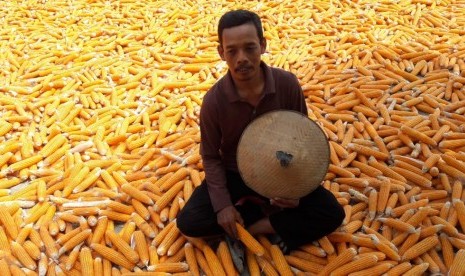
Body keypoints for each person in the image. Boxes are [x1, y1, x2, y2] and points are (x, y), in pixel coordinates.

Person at [177, 9, 344, 254]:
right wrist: (223, 206)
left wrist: (296, 190)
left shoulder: (287, 84)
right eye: (232, 51)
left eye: (250, 48)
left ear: (263, 46)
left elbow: (302, 139)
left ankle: (256, 226)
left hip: (281, 168)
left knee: (332, 213)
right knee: (189, 222)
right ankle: (260, 215)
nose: (241, 58)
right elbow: (211, 157)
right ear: (221, 53)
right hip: (236, 173)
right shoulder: (214, 101)